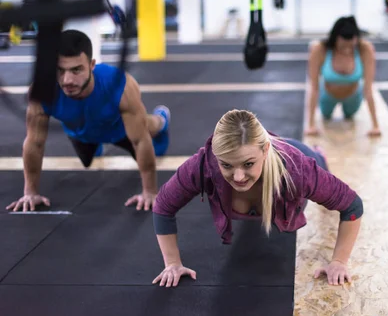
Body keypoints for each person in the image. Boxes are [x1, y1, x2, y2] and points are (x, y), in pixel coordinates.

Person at [151, 109, 363, 288]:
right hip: (269, 152)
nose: (238, 177)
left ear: (265, 149)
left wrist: (339, 261)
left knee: (318, 163)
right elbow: (163, 206)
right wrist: (172, 263)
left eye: (248, 164)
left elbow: (352, 206)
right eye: (227, 165)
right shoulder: (203, 165)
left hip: (298, 154)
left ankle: (319, 153)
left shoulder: (299, 171)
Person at [6, 29, 171, 213]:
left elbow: (140, 141)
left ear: (92, 65)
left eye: (76, 70)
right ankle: (96, 143)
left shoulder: (119, 84)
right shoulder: (42, 90)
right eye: (60, 70)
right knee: (87, 159)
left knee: (149, 133)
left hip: (119, 129)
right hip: (81, 133)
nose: (67, 80)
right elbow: (34, 143)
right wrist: (30, 192)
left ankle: (162, 119)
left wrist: (149, 191)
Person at [304, 16, 381, 137]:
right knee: (326, 116)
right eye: (342, 46)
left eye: (350, 47)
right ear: (335, 39)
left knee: (349, 116)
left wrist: (375, 126)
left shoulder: (365, 49)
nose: (346, 50)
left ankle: (349, 110)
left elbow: (368, 88)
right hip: (327, 96)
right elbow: (313, 88)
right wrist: (311, 125)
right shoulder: (319, 49)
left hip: (353, 96)